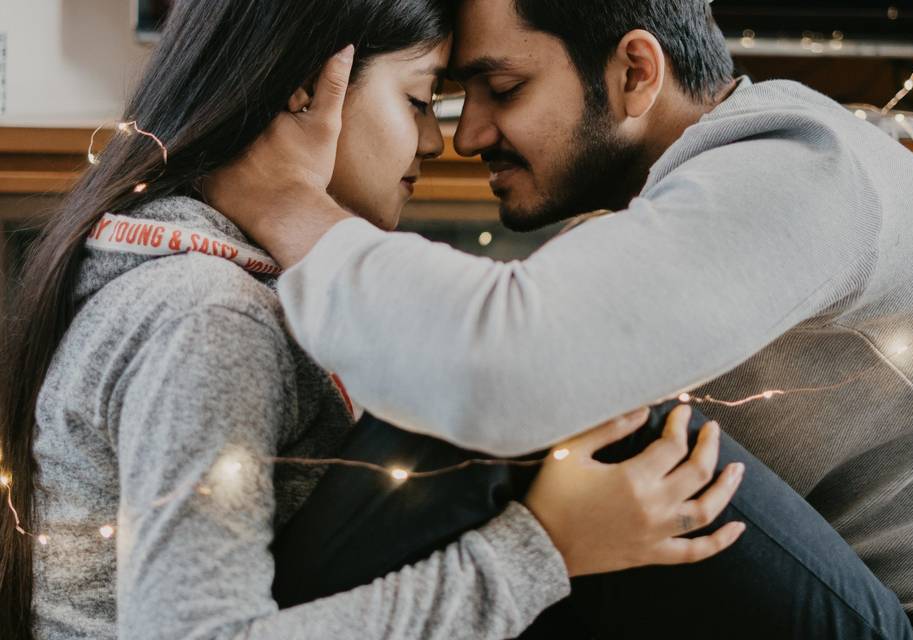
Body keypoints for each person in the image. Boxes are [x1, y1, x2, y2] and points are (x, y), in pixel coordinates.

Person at [206, 0, 913, 637]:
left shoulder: (799, 166)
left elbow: (502, 369)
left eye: (501, 87)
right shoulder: (679, 200)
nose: (467, 136)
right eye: (446, 99)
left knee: (534, 401)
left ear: (634, 73)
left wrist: (287, 203)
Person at [0, 1, 745, 639]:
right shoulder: (209, 313)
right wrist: (546, 548)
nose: (436, 141)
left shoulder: (208, 292)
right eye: (420, 102)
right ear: (306, 93)